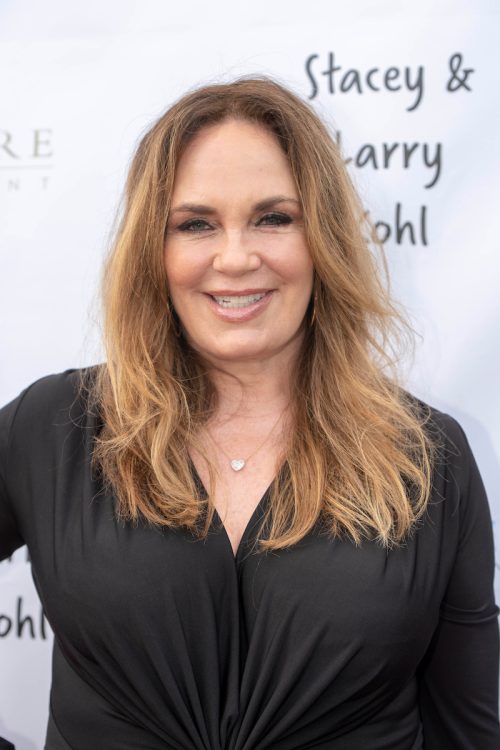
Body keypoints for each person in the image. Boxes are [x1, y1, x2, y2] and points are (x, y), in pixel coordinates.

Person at [0, 77, 498, 750]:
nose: (235, 257)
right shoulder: (55, 427)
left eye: (273, 218)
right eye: (195, 224)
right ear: (153, 250)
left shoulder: (427, 456)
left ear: (322, 238)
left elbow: (468, 729)